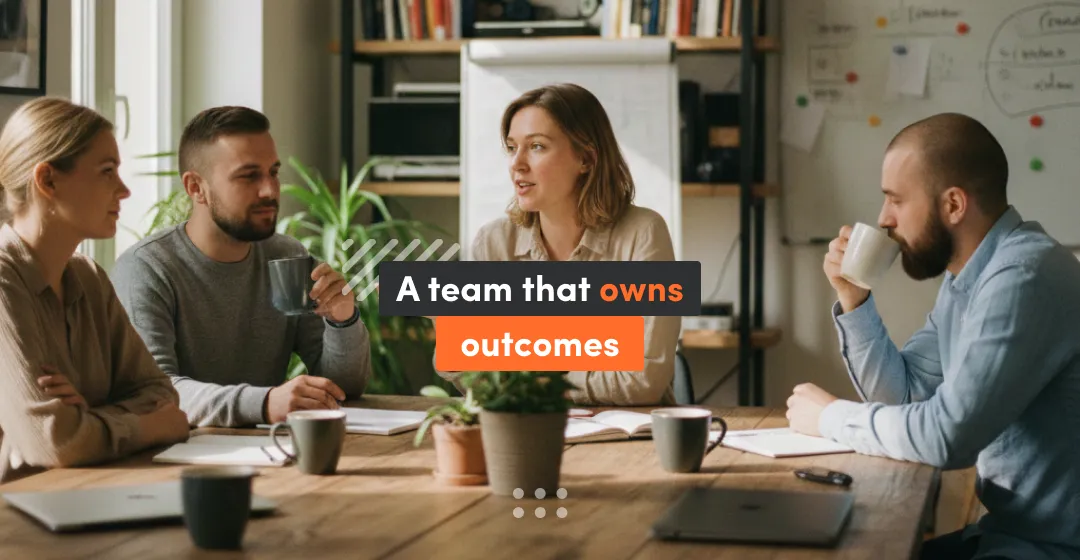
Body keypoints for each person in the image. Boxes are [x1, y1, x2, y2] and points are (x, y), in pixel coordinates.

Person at [785, 113, 1080, 559]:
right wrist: (854, 300)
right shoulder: (967, 280)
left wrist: (829, 418)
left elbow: (947, 437)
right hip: (1004, 535)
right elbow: (905, 397)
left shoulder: (1024, 278)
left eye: (895, 200)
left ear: (954, 205)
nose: (883, 219)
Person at [112, 106, 371, 428]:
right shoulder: (147, 269)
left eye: (273, 172)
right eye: (248, 176)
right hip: (175, 459)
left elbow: (344, 388)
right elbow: (156, 393)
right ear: (195, 188)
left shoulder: (287, 256)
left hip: (269, 452)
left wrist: (343, 320)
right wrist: (263, 404)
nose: (269, 190)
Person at [434, 83, 680, 406]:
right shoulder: (494, 243)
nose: (517, 164)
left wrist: (528, 372)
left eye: (536, 146)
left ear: (586, 158)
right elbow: (477, 382)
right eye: (511, 147)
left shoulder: (643, 235)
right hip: (525, 434)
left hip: (628, 443)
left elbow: (643, 378)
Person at [0, 97, 190, 482]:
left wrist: (86, 418)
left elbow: (160, 392)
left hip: (88, 495)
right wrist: (147, 427)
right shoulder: (4, 283)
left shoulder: (88, 275)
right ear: (48, 180)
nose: (123, 191)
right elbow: (54, 441)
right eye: (107, 171)